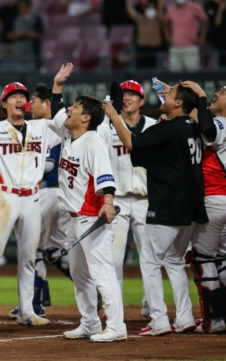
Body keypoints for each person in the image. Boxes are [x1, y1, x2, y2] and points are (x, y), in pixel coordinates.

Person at [104, 82, 207, 336]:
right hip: (192, 205)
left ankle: (159, 320)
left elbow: (130, 143)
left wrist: (113, 115)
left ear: (179, 103)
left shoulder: (167, 128)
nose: (164, 95)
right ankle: (184, 317)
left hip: (168, 204)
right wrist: (198, 97)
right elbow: (193, 113)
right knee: (174, 260)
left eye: (170, 94)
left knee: (150, 261)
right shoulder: (193, 125)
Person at [0, 79, 61, 327]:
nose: (20, 99)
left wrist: (57, 89)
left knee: (29, 257)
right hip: (5, 196)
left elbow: (65, 122)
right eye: (14, 96)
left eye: (23, 95)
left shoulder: (42, 127)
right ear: (4, 103)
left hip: (32, 197)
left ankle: (27, 311)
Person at [49, 95, 127, 342]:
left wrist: (108, 203)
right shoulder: (69, 135)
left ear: (86, 117)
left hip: (92, 217)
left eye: (76, 108)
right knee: (80, 274)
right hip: (74, 219)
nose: (69, 110)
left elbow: (105, 175)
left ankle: (116, 327)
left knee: (102, 272)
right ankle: (90, 323)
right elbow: (57, 111)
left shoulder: (93, 141)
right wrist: (57, 88)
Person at [6, 66, 73, 320]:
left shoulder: (46, 126)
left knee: (32, 250)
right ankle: (91, 289)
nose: (29, 104)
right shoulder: (62, 125)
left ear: (47, 103)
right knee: (55, 250)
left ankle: (34, 303)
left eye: (34, 100)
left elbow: (45, 164)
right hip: (65, 196)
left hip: (46, 192)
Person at [96, 80, 156, 319]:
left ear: (142, 100)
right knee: (113, 259)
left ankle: (152, 306)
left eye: (133, 94)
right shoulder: (106, 126)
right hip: (117, 199)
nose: (128, 98)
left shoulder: (154, 126)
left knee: (150, 257)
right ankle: (114, 310)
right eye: (124, 94)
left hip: (145, 199)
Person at [182, 81, 226, 333]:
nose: (217, 94)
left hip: (215, 197)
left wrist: (198, 97)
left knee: (201, 258)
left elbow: (208, 130)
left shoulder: (221, 122)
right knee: (222, 260)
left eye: (222, 93)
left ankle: (215, 320)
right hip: (224, 198)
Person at [163, 0, 208, 72]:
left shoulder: (194, 7)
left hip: (190, 47)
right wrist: (168, 38)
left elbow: (205, 21)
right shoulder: (170, 8)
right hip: (175, 47)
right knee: (175, 75)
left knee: (192, 75)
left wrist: (202, 37)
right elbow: (164, 22)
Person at [125, 0, 165, 69]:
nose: (150, 9)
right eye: (148, 8)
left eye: (152, 8)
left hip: (154, 48)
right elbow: (131, 11)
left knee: (155, 70)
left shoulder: (157, 19)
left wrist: (160, 4)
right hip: (142, 48)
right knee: (141, 71)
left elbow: (160, 7)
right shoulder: (140, 19)